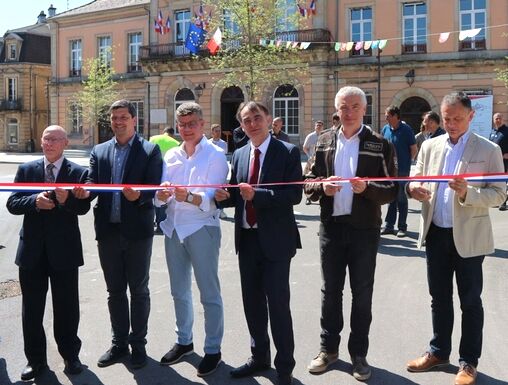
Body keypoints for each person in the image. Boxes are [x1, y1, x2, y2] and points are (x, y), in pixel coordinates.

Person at [406, 92, 506, 385]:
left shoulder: (488, 150)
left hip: (469, 237)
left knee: (470, 301)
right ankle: (438, 352)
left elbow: (499, 193)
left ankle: (469, 363)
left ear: (471, 116)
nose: (450, 124)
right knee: (439, 298)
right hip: (436, 232)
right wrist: (413, 188)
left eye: (457, 119)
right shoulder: (431, 144)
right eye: (447, 118)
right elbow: (415, 176)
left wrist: (467, 193)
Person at [304, 86, 398, 382]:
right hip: (331, 227)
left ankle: (358, 354)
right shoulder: (323, 141)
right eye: (344, 107)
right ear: (337, 109)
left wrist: (366, 188)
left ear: (364, 109)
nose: (349, 112)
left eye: (355, 106)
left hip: (364, 230)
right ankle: (328, 349)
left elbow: (392, 189)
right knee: (330, 291)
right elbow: (307, 181)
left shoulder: (379, 143)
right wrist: (322, 187)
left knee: (362, 293)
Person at [215, 101, 302, 385]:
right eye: (246, 120)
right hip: (247, 238)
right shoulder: (239, 154)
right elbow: (236, 192)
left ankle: (285, 367)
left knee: (278, 305)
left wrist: (258, 196)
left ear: (268, 120)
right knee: (252, 303)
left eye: (257, 118)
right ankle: (259, 356)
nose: (252, 124)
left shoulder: (287, 152)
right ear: (241, 126)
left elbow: (293, 196)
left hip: (276, 242)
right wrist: (223, 197)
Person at [74, 99, 162, 370]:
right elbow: (92, 181)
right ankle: (119, 343)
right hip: (108, 232)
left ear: (134, 120)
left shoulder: (149, 150)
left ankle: (138, 345)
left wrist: (139, 197)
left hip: (137, 233)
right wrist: (86, 191)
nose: (118, 122)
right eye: (114, 118)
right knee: (114, 292)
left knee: (138, 290)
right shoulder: (99, 150)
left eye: (123, 117)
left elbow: (154, 187)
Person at [6, 125, 90, 380]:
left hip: (64, 252)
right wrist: (34, 202)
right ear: (41, 142)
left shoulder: (78, 172)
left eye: (55, 139)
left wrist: (66, 201)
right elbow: (12, 203)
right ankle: (35, 360)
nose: (50, 143)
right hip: (32, 252)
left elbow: (83, 207)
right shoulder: (27, 169)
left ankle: (70, 355)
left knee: (67, 308)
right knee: (31, 310)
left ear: (65, 143)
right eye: (46, 138)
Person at [156, 102, 229, 377]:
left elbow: (214, 201)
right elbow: (159, 193)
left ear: (202, 123)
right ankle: (184, 341)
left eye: (191, 124)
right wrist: (160, 195)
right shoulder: (171, 155)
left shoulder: (215, 155)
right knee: (178, 291)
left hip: (202, 228)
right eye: (182, 124)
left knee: (209, 294)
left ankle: (213, 350)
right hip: (174, 228)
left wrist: (190, 196)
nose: (186, 129)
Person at [381, 105, 417, 237]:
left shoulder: (406, 130)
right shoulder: (385, 129)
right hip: (389, 171)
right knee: (391, 198)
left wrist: (408, 163)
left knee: (401, 198)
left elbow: (414, 149)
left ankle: (402, 227)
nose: (386, 118)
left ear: (396, 116)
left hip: (402, 171)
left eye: (388, 116)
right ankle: (389, 226)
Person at [150, 127, 180, 233]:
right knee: (162, 199)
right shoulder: (176, 142)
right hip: (166, 175)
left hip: (152, 172)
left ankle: (150, 221)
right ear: (172, 134)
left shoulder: (153, 138)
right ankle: (160, 224)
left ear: (164, 132)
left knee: (151, 198)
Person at [489, 112, 508, 210]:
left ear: (503, 119)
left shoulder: (507, 131)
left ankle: (503, 202)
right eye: (496, 118)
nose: (498, 120)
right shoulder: (492, 132)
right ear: (493, 120)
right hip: (493, 162)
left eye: (499, 118)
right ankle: (496, 201)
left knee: (503, 182)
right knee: (494, 182)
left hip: (504, 162)